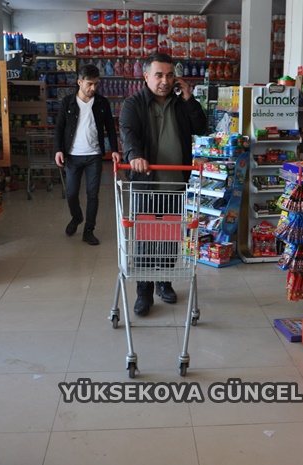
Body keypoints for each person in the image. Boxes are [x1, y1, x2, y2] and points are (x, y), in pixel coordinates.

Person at [118, 53, 208, 316]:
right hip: (146, 184)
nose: (165, 81)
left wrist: (190, 99)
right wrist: (134, 156)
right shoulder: (133, 104)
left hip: (175, 183)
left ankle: (164, 282)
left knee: (169, 239)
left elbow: (201, 127)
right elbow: (128, 133)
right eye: (158, 75)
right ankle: (144, 291)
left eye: (169, 75)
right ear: (146, 76)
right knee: (146, 240)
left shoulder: (181, 104)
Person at [54, 64, 118, 245]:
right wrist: (58, 150)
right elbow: (59, 128)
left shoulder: (102, 103)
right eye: (90, 84)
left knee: (93, 195)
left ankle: (89, 230)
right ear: (79, 82)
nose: (93, 88)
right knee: (71, 193)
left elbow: (110, 128)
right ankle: (77, 217)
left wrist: (114, 150)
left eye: (96, 84)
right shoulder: (67, 102)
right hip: (72, 156)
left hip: (94, 156)